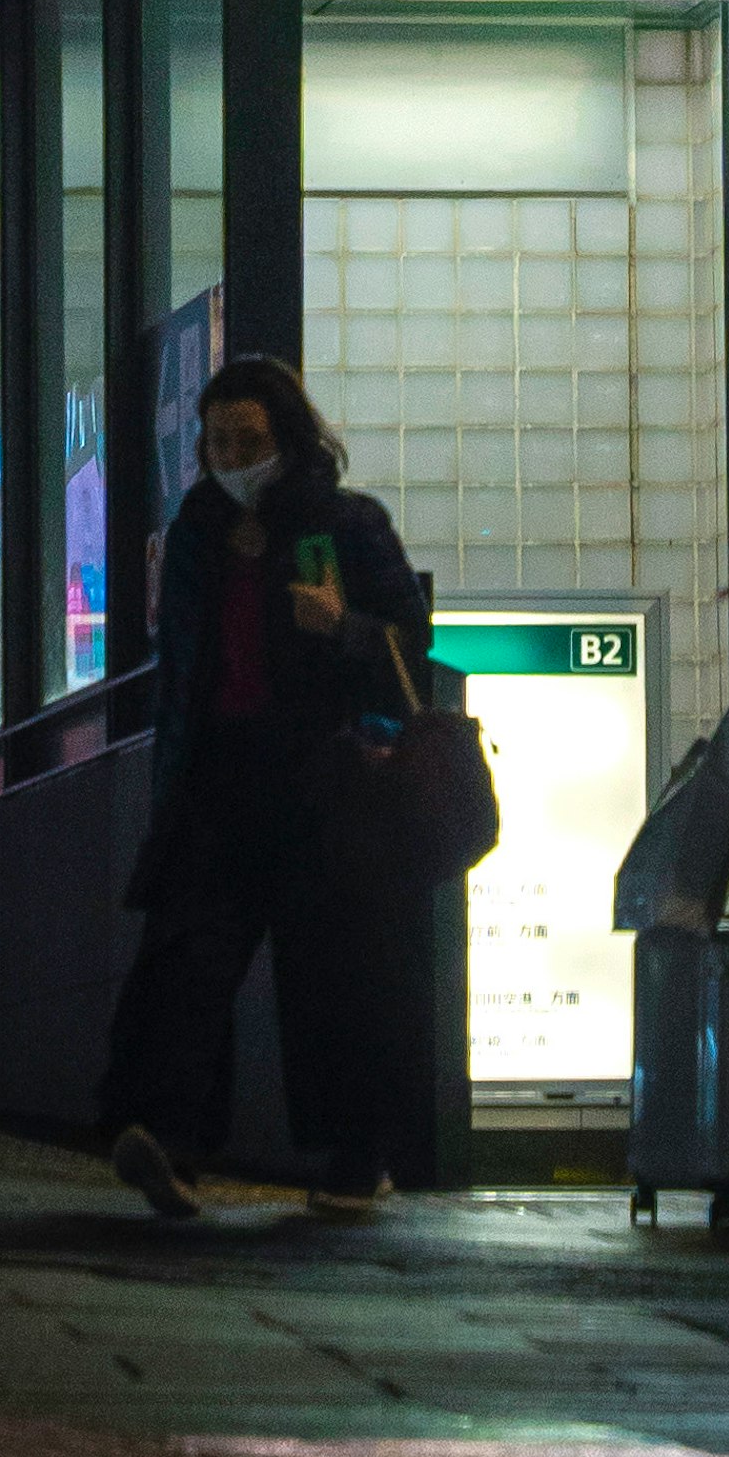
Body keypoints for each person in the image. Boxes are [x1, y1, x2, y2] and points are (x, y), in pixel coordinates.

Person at [102, 359, 433, 1224]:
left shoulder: (344, 526)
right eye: (218, 442)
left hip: (323, 781)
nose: (233, 456)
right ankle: (170, 1140)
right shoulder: (198, 532)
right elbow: (178, 669)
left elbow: (410, 639)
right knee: (189, 962)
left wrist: (346, 629)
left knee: (334, 974)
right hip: (218, 777)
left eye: (249, 441)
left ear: (288, 439)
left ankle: (356, 1155)